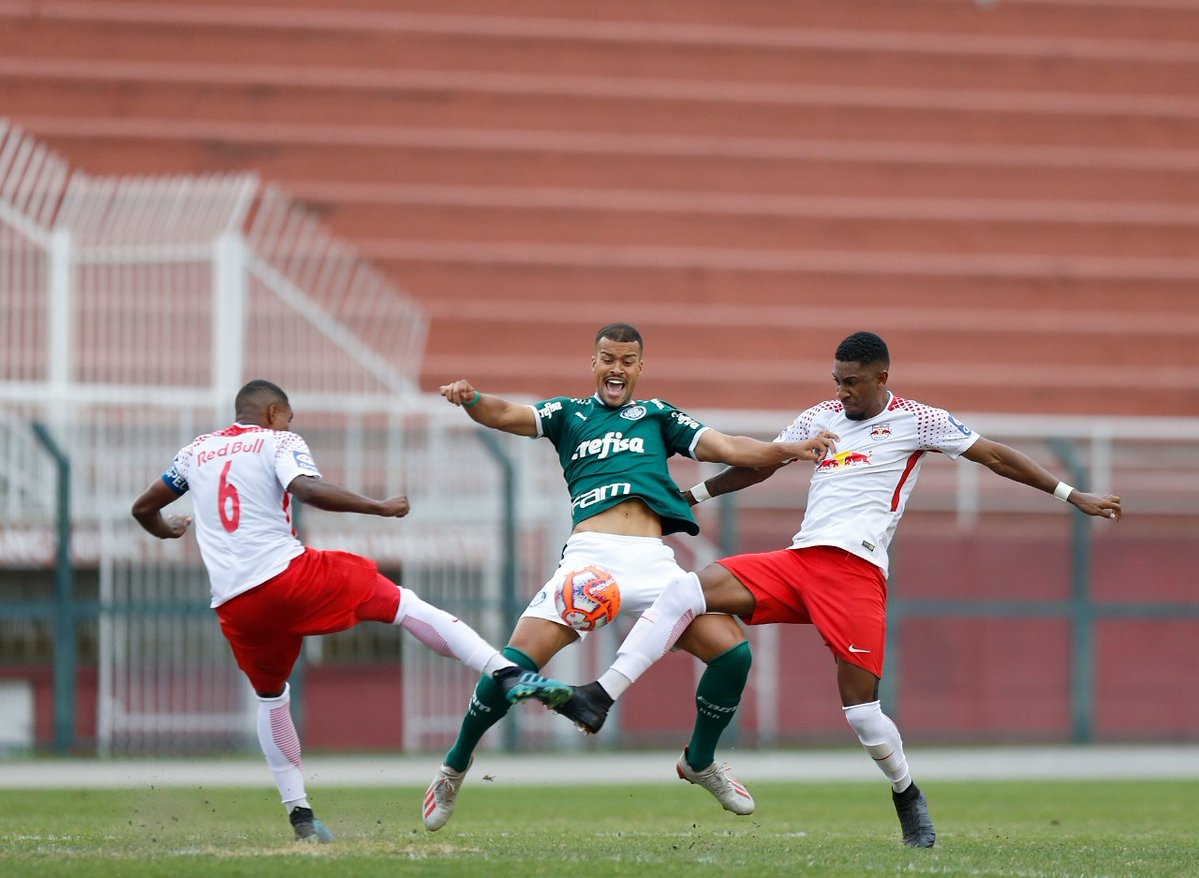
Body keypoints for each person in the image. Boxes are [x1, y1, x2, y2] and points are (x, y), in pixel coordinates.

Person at [568, 330, 1123, 848]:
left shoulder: (919, 421)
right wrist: (690, 498)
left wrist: (1073, 495)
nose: (842, 391)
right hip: (799, 560)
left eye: (852, 381)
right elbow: (762, 465)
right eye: (837, 380)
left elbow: (995, 455)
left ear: (881, 378)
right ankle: (602, 695)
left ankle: (906, 793)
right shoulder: (821, 416)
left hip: (856, 574)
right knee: (685, 590)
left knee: (861, 713)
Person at [424, 322, 836, 831]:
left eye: (626, 361)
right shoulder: (567, 413)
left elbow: (726, 447)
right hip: (590, 561)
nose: (615, 368)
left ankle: (700, 761)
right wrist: (472, 398)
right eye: (607, 358)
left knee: (733, 653)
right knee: (512, 664)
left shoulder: (658, 416)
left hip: (652, 560)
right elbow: (507, 414)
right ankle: (454, 767)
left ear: (640, 368)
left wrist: (786, 449)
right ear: (592, 363)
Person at [131, 379, 571, 843]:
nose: (290, 423)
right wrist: (378, 507)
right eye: (290, 417)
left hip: (236, 605)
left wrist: (169, 529)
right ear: (275, 412)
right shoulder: (278, 440)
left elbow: (143, 508)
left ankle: (301, 817)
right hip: (287, 576)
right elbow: (307, 489)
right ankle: (506, 674)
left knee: (271, 698)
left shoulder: (194, 452)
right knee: (403, 604)